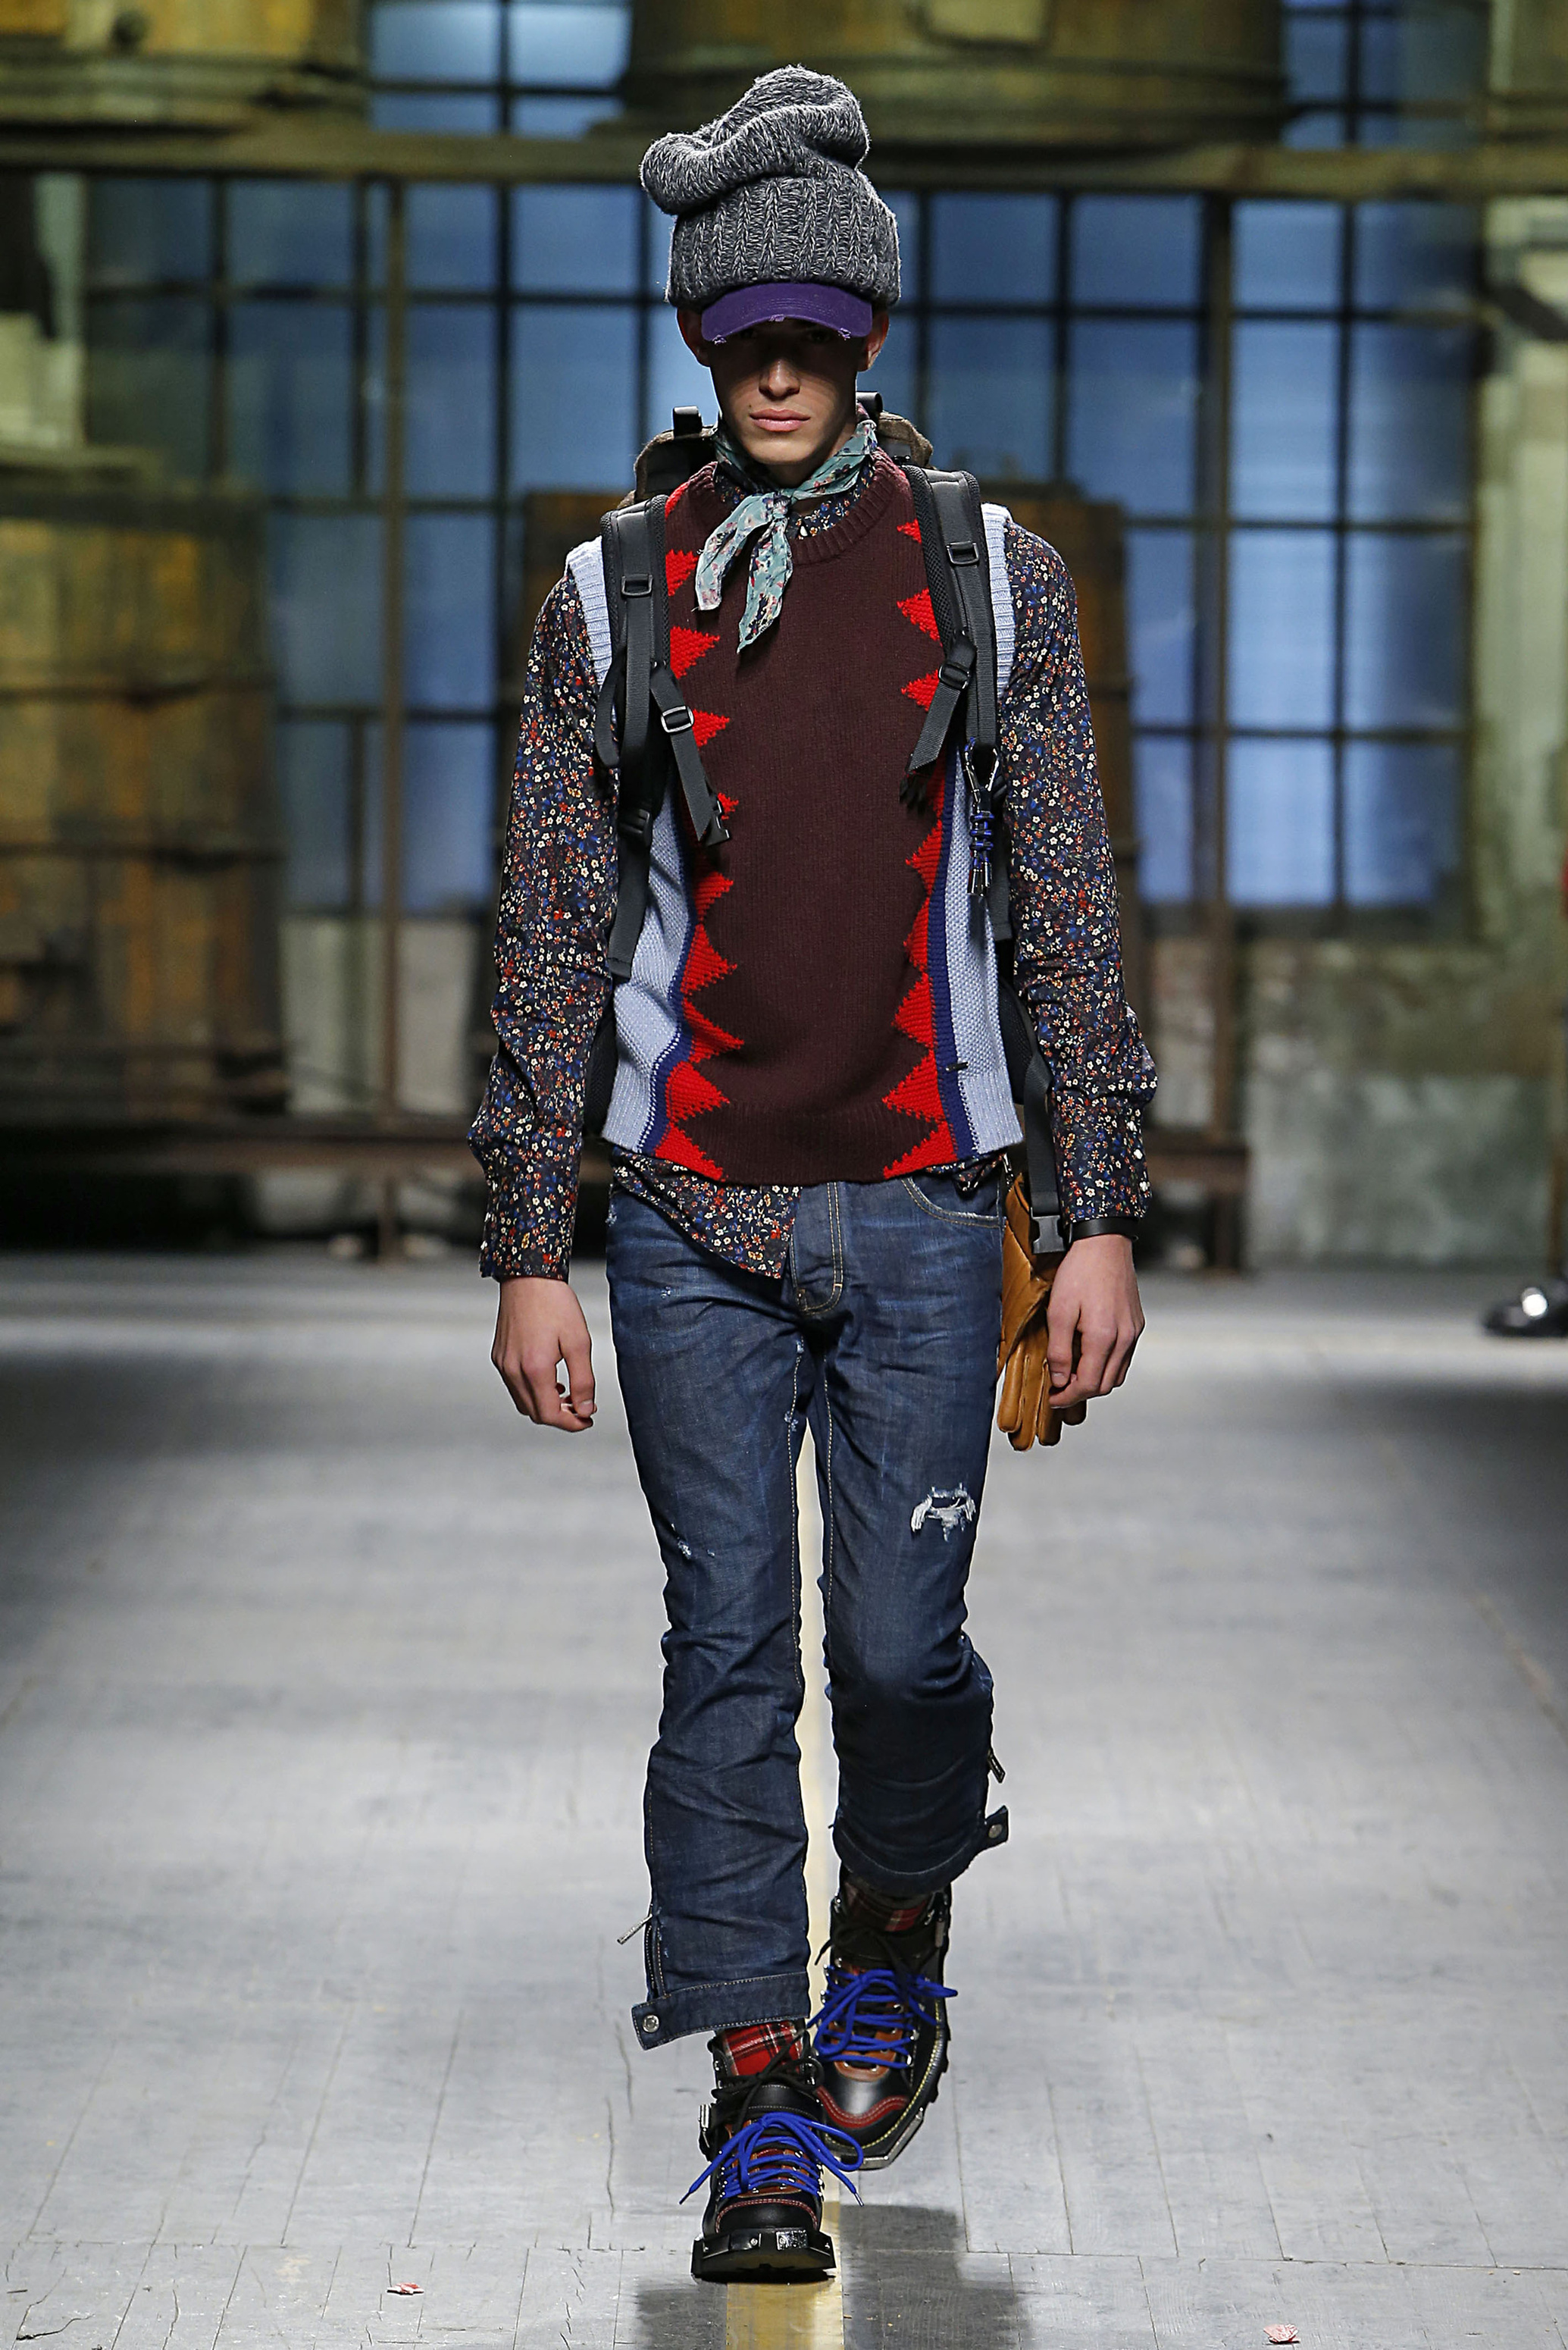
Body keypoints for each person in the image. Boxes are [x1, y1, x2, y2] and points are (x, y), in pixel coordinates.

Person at [471, 65, 1156, 2286]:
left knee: (903, 1646)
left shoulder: (990, 578)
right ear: (701, 338)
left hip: (938, 1207)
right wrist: (531, 1242)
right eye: (742, 334)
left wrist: (1100, 1206)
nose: (777, 373)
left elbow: (1064, 906)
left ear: (864, 338)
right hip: (690, 1213)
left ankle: (897, 1928)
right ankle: (759, 2092)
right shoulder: (614, 593)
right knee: (728, 1649)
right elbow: (552, 929)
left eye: (814, 335)